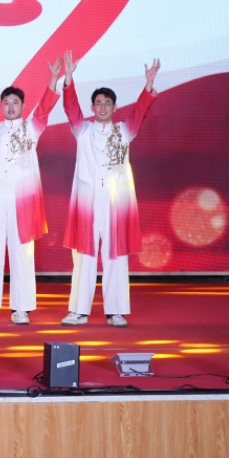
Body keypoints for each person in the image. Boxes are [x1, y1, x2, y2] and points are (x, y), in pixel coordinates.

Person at [0, 51, 62, 325]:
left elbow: (45, 108)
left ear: (22, 105)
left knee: (22, 254)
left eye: (15, 102)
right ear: (1, 106)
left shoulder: (32, 128)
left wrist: (54, 79)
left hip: (22, 202)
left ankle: (21, 308)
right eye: (5, 102)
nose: (10, 106)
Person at [60, 52, 160, 328]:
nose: (102, 107)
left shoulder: (124, 131)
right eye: (98, 103)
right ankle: (78, 311)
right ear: (92, 107)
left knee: (116, 255)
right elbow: (70, 107)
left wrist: (148, 84)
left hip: (115, 202)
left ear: (115, 107)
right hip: (87, 202)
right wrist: (68, 77)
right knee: (84, 255)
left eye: (107, 103)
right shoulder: (82, 130)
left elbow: (140, 112)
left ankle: (116, 311)